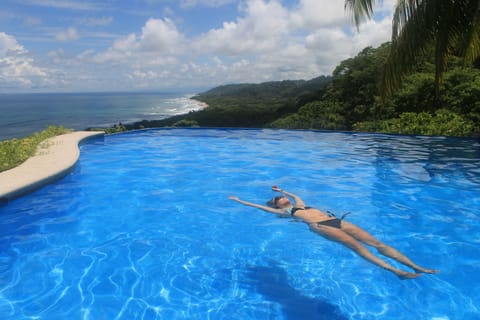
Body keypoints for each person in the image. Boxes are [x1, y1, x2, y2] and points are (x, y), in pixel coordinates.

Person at [229, 186, 438, 280]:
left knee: (377, 243)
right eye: (277, 200)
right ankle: (397, 272)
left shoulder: (298, 203)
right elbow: (259, 207)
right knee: (358, 248)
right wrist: (240, 201)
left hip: (336, 221)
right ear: (277, 206)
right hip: (322, 227)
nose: (280, 200)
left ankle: (416, 266)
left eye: (279, 199)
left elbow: (296, 194)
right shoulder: (286, 212)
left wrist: (282, 191)